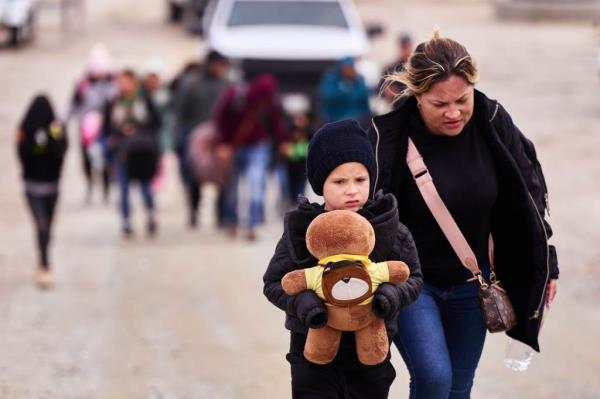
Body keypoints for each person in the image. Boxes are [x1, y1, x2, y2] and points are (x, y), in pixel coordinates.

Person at [372, 29, 559, 398]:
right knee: (434, 378)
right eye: (440, 104)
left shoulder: (492, 123)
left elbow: (528, 198)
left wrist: (545, 261)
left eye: (462, 99)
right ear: (418, 96)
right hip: (411, 283)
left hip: (473, 284)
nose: (454, 112)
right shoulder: (388, 139)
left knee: (458, 389)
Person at [263, 119, 423, 398]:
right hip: (311, 351)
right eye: (339, 181)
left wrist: (389, 297)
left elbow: (413, 277)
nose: (352, 190)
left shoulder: (389, 227)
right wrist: (304, 304)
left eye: (360, 180)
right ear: (319, 185)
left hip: (371, 352)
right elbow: (274, 282)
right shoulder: (304, 228)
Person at [215, 74, 286, 240]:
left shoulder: (269, 101)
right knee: (232, 187)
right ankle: (232, 221)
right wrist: (223, 143)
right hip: (234, 147)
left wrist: (282, 141)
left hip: (258, 146)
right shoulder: (236, 95)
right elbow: (220, 119)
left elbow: (276, 122)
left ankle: (252, 224)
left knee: (255, 184)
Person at [173, 51, 230, 227]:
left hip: (220, 139)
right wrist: (179, 140)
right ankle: (194, 212)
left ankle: (221, 216)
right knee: (193, 179)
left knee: (224, 178)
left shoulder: (227, 85)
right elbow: (180, 113)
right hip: (194, 139)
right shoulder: (192, 84)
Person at [16, 95, 68, 289]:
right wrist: (38, 145)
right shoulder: (26, 129)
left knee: (48, 227)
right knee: (42, 225)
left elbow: (61, 150)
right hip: (32, 186)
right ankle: (45, 263)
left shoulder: (55, 128)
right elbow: (23, 154)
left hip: (52, 186)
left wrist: (50, 140)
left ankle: (43, 257)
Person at [103, 69, 161, 238]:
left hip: (142, 151)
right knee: (123, 189)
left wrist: (139, 131)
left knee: (145, 188)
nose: (122, 86)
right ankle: (126, 221)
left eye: (126, 81)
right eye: (120, 82)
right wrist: (119, 133)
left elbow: (157, 123)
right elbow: (106, 129)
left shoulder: (144, 100)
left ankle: (150, 213)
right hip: (122, 152)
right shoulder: (113, 102)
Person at [66, 43, 117, 204]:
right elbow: (73, 104)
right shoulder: (83, 84)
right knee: (87, 160)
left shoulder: (113, 84)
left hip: (106, 129)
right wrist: (61, 122)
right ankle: (89, 187)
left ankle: (106, 191)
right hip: (85, 130)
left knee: (106, 160)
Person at [318, 57, 371, 127]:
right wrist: (344, 91)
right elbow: (327, 96)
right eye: (346, 67)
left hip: (357, 121)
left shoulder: (359, 80)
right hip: (334, 120)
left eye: (351, 67)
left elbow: (364, 97)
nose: (349, 70)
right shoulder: (331, 79)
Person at [379, 33, 414, 107]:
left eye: (408, 46)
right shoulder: (390, 69)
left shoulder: (419, 67)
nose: (406, 50)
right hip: (398, 108)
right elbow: (380, 91)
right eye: (404, 47)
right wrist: (387, 93)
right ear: (399, 47)